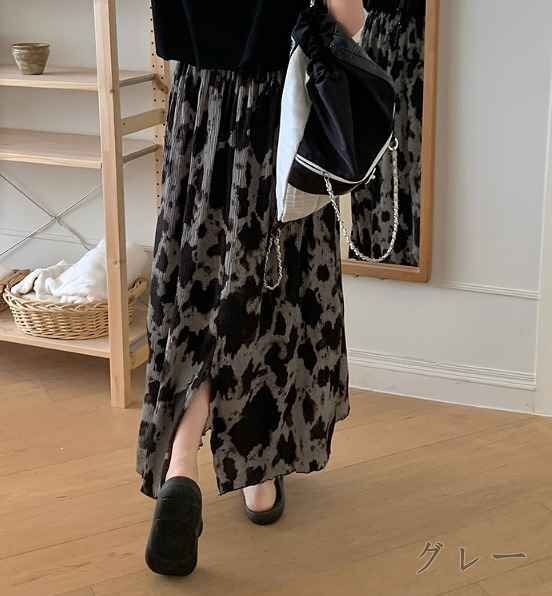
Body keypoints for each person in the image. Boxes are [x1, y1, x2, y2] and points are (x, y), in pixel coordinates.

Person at [137, 0, 365, 577]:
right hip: (278, 115)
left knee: (197, 294)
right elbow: (346, 18)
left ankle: (181, 464)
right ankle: (259, 484)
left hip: (196, 111)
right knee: (268, 296)